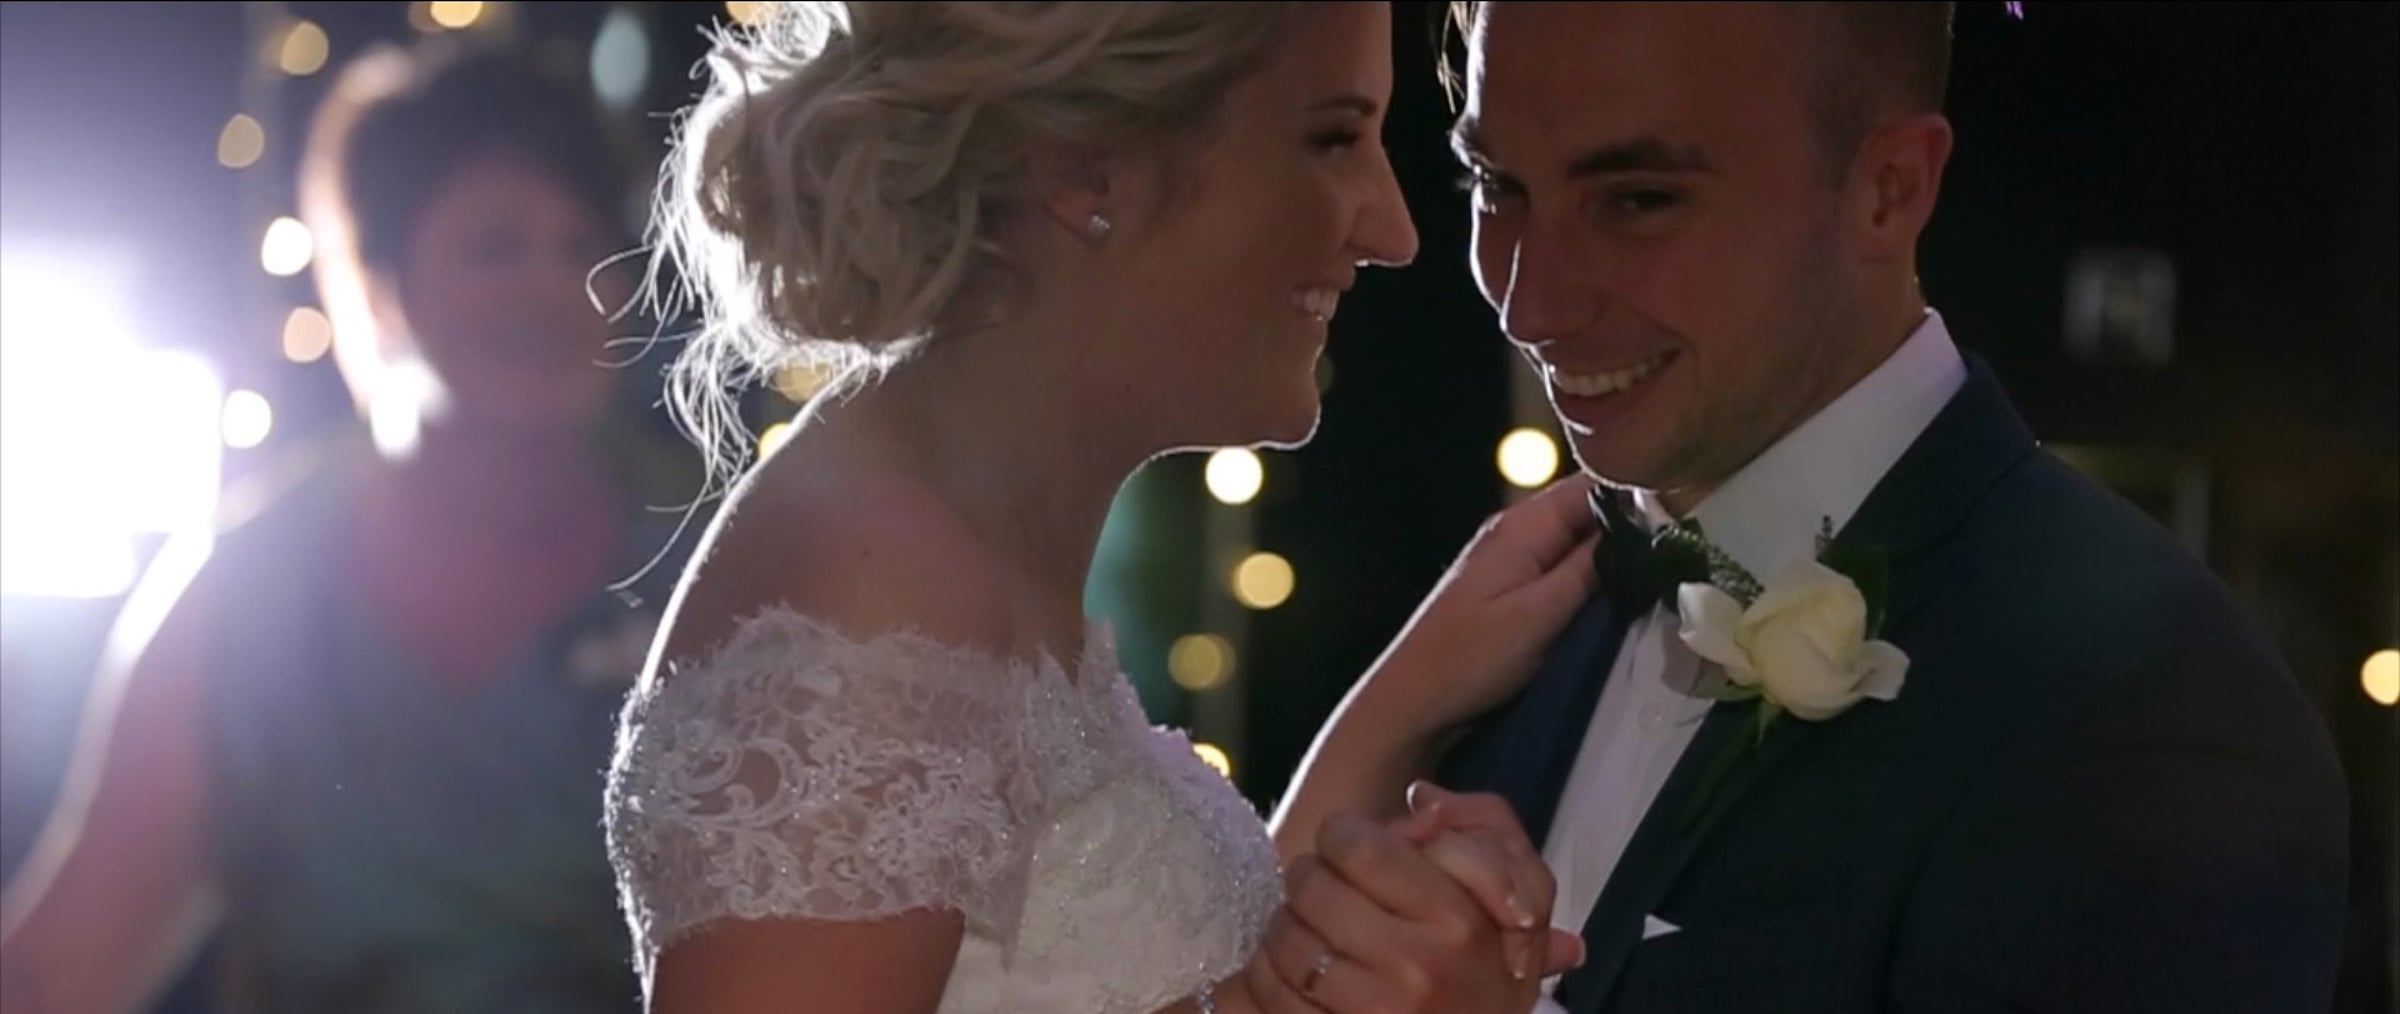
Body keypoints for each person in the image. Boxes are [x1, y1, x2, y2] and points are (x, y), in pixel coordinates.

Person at [1286, 2, 2352, 1012]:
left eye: (1638, 200)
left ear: (1890, 188)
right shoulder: (1515, 624)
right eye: (1497, 185)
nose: (1530, 303)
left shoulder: (2149, 701)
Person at [604, 3, 1600, 1012]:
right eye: (1333, 139)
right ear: (1089, 169)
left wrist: (1402, 711)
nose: (1392, 230)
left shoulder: (956, 542)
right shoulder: (872, 591)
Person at [0, 39, 689, 1014]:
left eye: (584, 247)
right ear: (378, 283)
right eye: (496, 247)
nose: (554, 288)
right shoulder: (245, 588)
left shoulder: (712, 545)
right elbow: (57, 970)